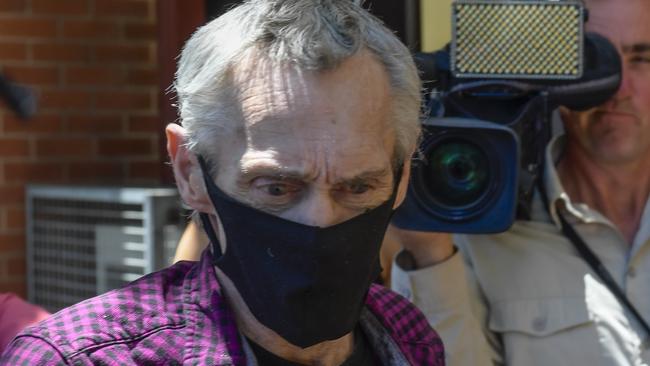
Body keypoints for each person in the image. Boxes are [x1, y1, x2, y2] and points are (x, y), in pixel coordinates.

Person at [1, 1, 445, 365]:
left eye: (357, 187)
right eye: (276, 188)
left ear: (402, 175)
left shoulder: (405, 336)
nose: (319, 222)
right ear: (191, 173)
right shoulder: (77, 360)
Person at [388, 0, 650, 365]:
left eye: (642, 58)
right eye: (591, 61)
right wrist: (429, 251)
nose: (617, 88)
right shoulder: (479, 216)